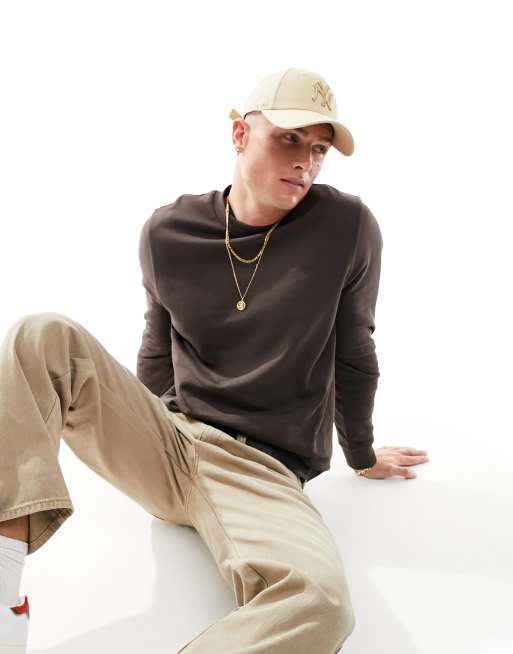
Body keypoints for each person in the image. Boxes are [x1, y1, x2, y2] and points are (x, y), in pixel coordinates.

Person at [0, 67, 429, 653]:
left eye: (319, 149)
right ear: (239, 133)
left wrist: (361, 453)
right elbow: (157, 347)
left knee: (320, 605)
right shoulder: (168, 231)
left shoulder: (346, 227)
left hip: (263, 471)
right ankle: (3, 589)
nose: (306, 161)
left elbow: (355, 351)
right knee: (41, 334)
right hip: (172, 444)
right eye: (290, 138)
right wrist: (145, 424)